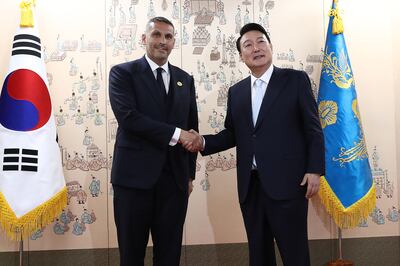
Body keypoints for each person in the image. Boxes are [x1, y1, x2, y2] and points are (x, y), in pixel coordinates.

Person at [185, 23, 325, 266]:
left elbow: (313, 128)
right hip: (251, 187)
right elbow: (232, 134)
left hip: (288, 185)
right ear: (241, 56)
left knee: (295, 254)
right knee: (258, 256)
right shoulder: (236, 92)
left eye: (261, 41)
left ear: (271, 46)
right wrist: (203, 142)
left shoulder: (294, 80)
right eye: (248, 45)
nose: (256, 48)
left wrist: (315, 169)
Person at [109, 17, 199, 266]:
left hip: (174, 183)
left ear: (173, 42)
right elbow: (129, 119)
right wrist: (177, 134)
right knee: (131, 255)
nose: (162, 41)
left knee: (170, 255)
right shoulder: (122, 73)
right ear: (144, 39)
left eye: (168, 37)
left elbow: (192, 127)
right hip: (133, 183)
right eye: (157, 35)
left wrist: (189, 175)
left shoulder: (185, 79)